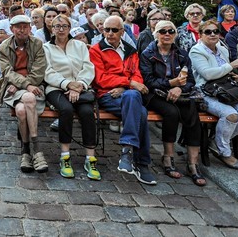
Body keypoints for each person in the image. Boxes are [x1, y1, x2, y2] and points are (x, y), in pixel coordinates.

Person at [89, 15, 156, 184]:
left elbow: (138, 76)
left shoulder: (130, 51)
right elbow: (100, 79)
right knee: (139, 111)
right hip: (107, 96)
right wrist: (128, 83)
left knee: (137, 105)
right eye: (106, 30)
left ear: (122, 31)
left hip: (127, 95)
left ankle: (128, 150)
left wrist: (126, 88)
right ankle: (142, 163)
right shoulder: (96, 50)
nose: (109, 33)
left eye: (114, 30)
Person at [139, 20, 205, 186]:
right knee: (172, 113)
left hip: (178, 93)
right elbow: (148, 81)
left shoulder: (182, 54)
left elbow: (190, 80)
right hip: (155, 95)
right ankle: (168, 157)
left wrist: (179, 89)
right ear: (156, 34)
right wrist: (170, 84)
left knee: (192, 112)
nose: (167, 34)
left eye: (170, 31)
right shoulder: (148, 54)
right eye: (163, 31)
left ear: (175, 34)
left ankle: (193, 163)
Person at [189, 18, 238, 170]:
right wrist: (230, 66)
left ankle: (214, 141)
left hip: (227, 90)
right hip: (207, 91)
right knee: (231, 115)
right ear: (200, 35)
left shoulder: (222, 49)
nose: (212, 34)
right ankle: (225, 152)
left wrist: (234, 75)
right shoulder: (196, 51)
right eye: (208, 32)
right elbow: (207, 74)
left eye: (215, 31)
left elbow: (225, 71)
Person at [43, 14, 99, 179]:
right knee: (66, 110)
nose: (61, 29)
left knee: (87, 113)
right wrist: (67, 84)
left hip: (80, 89)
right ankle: (65, 156)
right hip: (56, 88)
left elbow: (88, 67)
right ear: (51, 29)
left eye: (64, 26)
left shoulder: (79, 46)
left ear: (69, 28)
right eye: (57, 26)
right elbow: (47, 71)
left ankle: (90, 157)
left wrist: (79, 85)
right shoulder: (46, 48)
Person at [0, 14, 48, 173]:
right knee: (28, 96)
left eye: (25, 26)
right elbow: (7, 72)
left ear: (30, 28)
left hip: (34, 86)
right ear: (12, 29)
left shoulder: (37, 44)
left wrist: (24, 85)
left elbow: (39, 71)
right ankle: (37, 149)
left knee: (21, 110)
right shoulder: (4, 47)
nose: (22, 30)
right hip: (16, 88)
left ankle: (25, 151)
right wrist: (25, 85)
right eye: (18, 27)